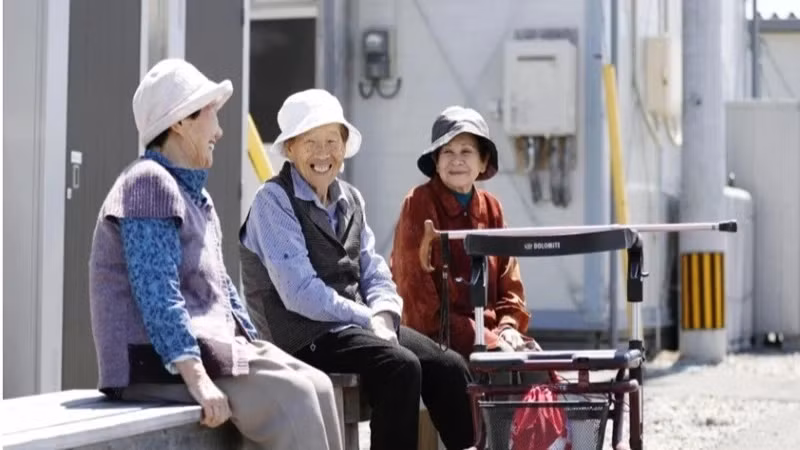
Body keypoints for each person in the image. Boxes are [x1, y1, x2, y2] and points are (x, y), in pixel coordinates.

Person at [88, 59, 342, 450]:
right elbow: (158, 295)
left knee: (320, 385)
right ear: (180, 122)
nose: (220, 132)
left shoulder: (195, 195)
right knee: (296, 397)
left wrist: (257, 346)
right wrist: (199, 380)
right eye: (211, 116)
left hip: (206, 350)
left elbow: (221, 288)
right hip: (151, 363)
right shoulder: (147, 184)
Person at [239, 89, 476, 450]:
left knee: (449, 366)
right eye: (310, 142)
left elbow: (374, 271)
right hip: (299, 337)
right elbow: (300, 292)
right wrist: (369, 320)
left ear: (345, 145)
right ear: (290, 149)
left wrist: (384, 313)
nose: (323, 154)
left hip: (351, 327)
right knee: (400, 366)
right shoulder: (272, 201)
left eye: (332, 140)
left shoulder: (349, 198)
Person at [390, 106, 533, 360]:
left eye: (466, 151)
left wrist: (508, 327)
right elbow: (417, 299)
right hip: (435, 344)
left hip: (493, 335)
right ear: (436, 161)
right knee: (498, 364)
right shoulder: (418, 203)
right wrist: (485, 339)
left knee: (537, 364)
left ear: (483, 161)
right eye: (447, 152)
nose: (457, 160)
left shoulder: (492, 207)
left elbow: (510, 282)